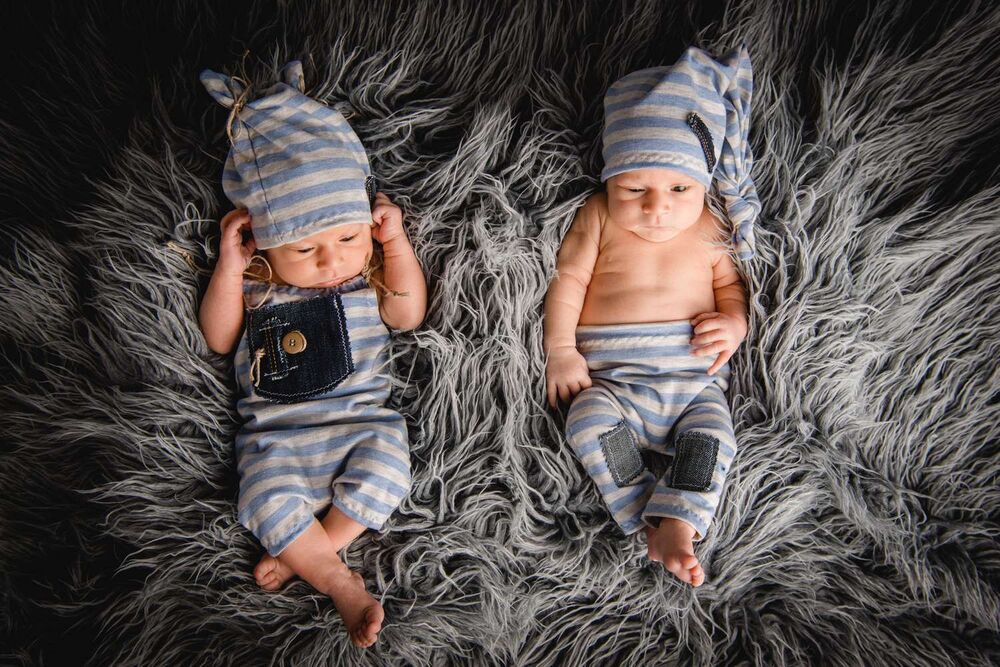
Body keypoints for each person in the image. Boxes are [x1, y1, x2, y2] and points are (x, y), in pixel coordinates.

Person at [199, 61, 427, 647]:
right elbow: (219, 339)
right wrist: (229, 267)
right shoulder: (257, 286)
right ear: (263, 245)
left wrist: (394, 244)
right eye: (304, 249)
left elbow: (407, 315)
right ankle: (337, 580)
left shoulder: (364, 281)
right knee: (261, 494)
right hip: (277, 438)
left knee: (390, 466)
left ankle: (316, 551)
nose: (331, 260)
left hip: (361, 425)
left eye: (348, 238)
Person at [543, 45, 758, 588]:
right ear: (610, 179)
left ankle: (681, 521)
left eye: (679, 189)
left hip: (693, 384)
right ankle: (646, 511)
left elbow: (731, 287)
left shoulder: (710, 224)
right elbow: (569, 280)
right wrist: (561, 350)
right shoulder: (598, 214)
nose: (657, 207)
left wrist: (735, 324)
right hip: (613, 382)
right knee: (586, 420)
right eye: (634, 188)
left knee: (715, 438)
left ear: (703, 182)